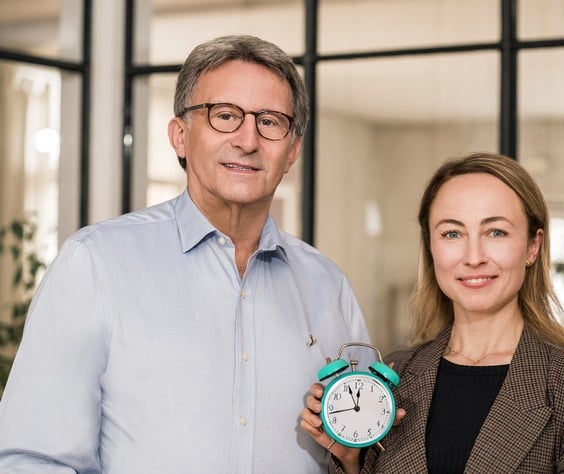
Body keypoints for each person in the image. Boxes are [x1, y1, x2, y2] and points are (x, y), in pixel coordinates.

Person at [0, 35, 372, 473]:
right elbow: (32, 458)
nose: (248, 140)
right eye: (225, 116)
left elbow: (362, 446)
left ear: (292, 151)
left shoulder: (328, 286)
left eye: (270, 121)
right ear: (180, 136)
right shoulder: (96, 263)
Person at [301, 152, 564, 473]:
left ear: (533, 246)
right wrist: (351, 461)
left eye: (496, 232)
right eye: (452, 233)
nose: (474, 257)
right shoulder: (394, 375)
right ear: (431, 247)